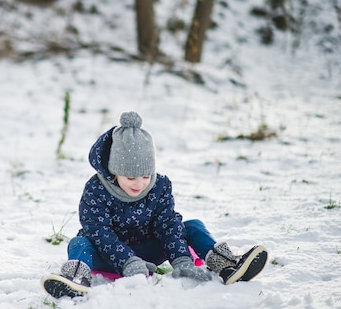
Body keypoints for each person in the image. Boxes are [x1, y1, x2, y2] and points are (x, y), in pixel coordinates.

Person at [41, 111, 268, 298]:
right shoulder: (97, 190)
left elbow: (167, 224)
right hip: (108, 255)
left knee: (192, 226)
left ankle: (226, 265)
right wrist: (127, 261)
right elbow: (98, 232)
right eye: (130, 178)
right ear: (114, 171)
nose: (139, 184)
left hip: (150, 249)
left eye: (145, 176)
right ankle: (76, 279)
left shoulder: (160, 186)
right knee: (80, 241)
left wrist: (181, 259)